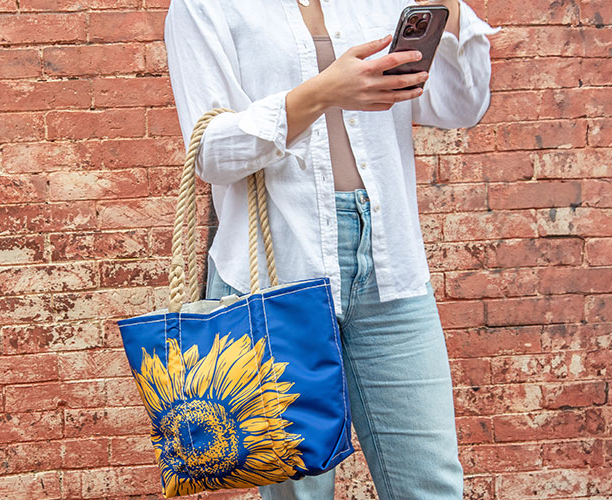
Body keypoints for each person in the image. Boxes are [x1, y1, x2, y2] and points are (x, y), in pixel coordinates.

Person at [164, 0, 501, 498]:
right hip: (278, 270)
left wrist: (450, 10)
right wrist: (323, 93)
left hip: (389, 263)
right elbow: (211, 151)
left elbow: (459, 106)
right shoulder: (204, 6)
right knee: (302, 490)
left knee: (432, 485)